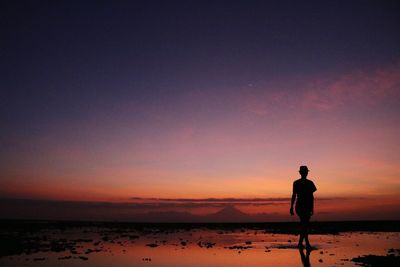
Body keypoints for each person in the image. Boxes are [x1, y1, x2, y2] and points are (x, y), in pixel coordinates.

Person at [290, 165, 317, 249]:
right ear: (301, 173)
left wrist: (312, 208)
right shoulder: (297, 183)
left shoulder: (310, 183)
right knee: (304, 224)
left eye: (305, 172)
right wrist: (291, 207)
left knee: (304, 225)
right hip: (300, 205)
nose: (305, 173)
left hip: (307, 206)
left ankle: (301, 243)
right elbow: (294, 195)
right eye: (304, 172)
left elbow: (311, 197)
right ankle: (306, 243)